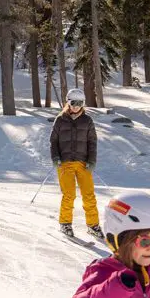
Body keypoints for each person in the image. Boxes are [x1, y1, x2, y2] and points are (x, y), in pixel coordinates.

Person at [50, 88, 104, 240]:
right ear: (68, 102)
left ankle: (93, 225)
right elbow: (53, 141)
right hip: (65, 163)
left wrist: (92, 161)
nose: (76, 106)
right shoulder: (60, 120)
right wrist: (55, 158)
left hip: (83, 163)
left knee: (89, 195)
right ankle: (65, 223)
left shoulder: (87, 121)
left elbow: (92, 142)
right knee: (69, 195)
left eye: (79, 103)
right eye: (73, 103)